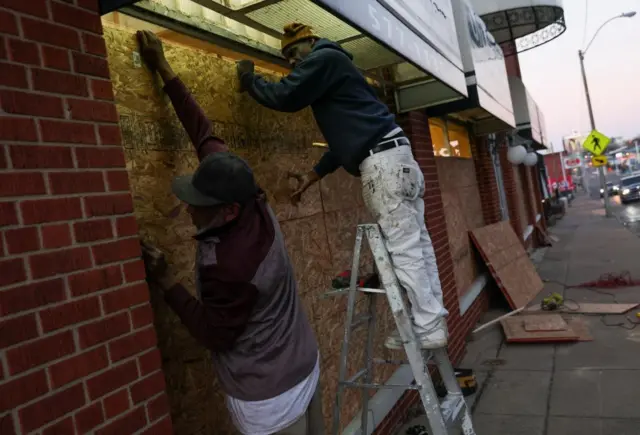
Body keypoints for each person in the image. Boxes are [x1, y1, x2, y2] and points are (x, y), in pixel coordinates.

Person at [136, 30, 323, 435]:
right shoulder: (248, 192)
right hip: (306, 366)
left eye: (199, 203)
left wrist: (167, 279)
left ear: (228, 211)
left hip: (272, 402)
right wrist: (163, 65)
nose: (188, 206)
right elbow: (203, 132)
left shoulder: (232, 266)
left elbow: (213, 333)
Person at [236, 23, 448, 349]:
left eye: (294, 52)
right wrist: (314, 175)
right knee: (418, 244)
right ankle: (427, 321)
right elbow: (345, 139)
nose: (293, 62)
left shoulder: (323, 58)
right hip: (400, 159)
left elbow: (286, 96)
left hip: (384, 166)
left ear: (311, 41)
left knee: (405, 250)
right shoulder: (339, 70)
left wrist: (250, 81)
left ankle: (428, 326)